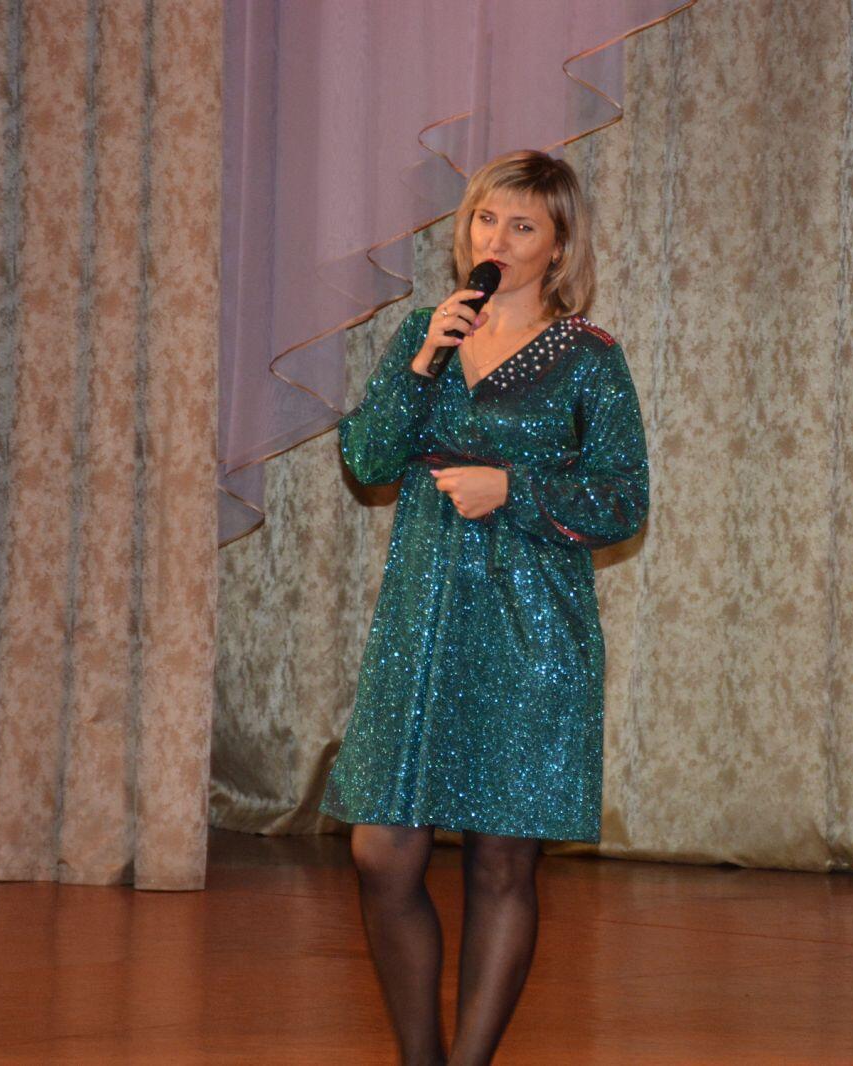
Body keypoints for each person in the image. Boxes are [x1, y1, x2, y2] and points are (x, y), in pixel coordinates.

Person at [319, 149, 650, 1066]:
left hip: (530, 630)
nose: (495, 239)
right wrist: (425, 361)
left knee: (502, 863)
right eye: (484, 218)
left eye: (522, 225)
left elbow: (624, 499)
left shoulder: (590, 358)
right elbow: (368, 460)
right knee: (381, 852)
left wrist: (516, 488)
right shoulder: (424, 331)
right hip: (420, 627)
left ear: (558, 246)